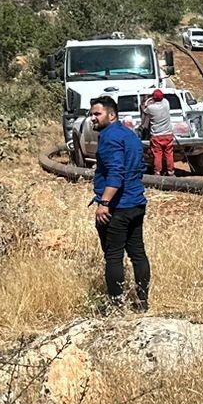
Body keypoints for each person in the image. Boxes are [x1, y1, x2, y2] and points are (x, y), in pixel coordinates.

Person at [88, 95, 150, 309]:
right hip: (136, 203)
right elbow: (140, 166)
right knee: (137, 253)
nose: (93, 118)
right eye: (91, 114)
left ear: (111, 115)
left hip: (118, 207)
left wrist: (104, 203)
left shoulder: (109, 137)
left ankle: (116, 306)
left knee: (113, 257)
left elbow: (116, 171)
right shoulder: (130, 135)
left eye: (97, 114)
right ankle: (142, 303)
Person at [141, 87, 177, 177]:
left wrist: (148, 99)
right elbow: (160, 99)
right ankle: (171, 171)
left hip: (156, 135)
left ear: (153, 98)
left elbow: (144, 109)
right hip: (168, 134)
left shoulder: (151, 108)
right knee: (169, 154)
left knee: (157, 154)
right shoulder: (166, 103)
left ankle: (157, 172)